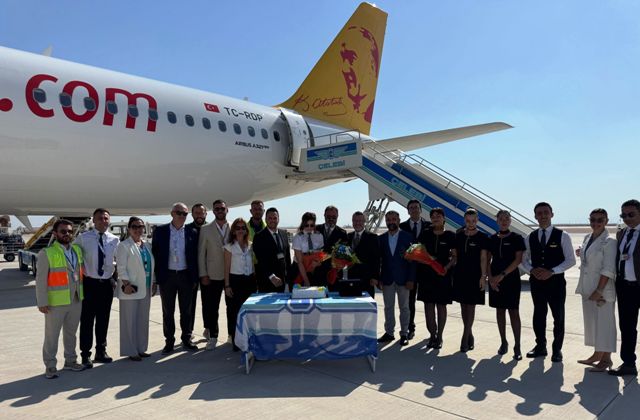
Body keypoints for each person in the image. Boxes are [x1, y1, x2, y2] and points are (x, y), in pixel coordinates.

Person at [521, 202, 576, 362]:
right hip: (537, 282)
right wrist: (531, 270)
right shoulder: (530, 237)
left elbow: (570, 260)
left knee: (558, 316)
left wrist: (552, 271)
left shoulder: (563, 236)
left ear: (552, 214)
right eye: (539, 213)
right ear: (535, 216)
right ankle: (540, 346)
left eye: (546, 212)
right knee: (539, 314)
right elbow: (523, 260)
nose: (543, 215)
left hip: (556, 283)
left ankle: (557, 349)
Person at [35, 219, 85, 378]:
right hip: (55, 302)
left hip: (75, 299)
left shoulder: (77, 250)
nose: (67, 234)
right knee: (52, 336)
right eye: (63, 231)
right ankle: (50, 365)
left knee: (71, 333)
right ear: (55, 234)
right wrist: (42, 302)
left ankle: (70, 360)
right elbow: (40, 280)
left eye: (70, 231)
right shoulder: (47, 253)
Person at [152, 202, 200, 354]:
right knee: (168, 311)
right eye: (179, 213)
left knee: (186, 311)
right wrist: (156, 278)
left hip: (186, 276)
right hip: (168, 276)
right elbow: (155, 254)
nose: (182, 216)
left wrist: (195, 278)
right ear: (172, 213)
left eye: (185, 214)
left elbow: (196, 256)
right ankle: (169, 341)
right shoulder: (160, 231)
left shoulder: (192, 232)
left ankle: (186, 338)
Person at [75, 208, 119, 368]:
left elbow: (118, 261)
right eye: (100, 218)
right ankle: (85, 354)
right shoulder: (83, 238)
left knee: (103, 319)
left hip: (106, 284)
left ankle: (101, 351)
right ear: (93, 220)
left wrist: (114, 279)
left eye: (106, 218)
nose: (103, 221)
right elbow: (74, 259)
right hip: (90, 283)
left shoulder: (114, 239)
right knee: (87, 320)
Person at [574, 209, 617, 372]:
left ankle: (606, 359)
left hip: (602, 290)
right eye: (593, 220)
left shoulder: (609, 242)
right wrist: (582, 253)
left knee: (605, 324)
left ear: (606, 221)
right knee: (593, 323)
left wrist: (599, 290)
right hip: (588, 287)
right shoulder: (587, 237)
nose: (596, 223)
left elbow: (608, 268)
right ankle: (597, 354)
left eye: (600, 220)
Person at [487, 210, 526, 360]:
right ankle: (503, 342)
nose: (504, 221)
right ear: (497, 221)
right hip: (495, 279)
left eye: (506, 218)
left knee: (514, 312)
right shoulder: (492, 239)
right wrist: (491, 278)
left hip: (510, 279)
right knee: (500, 311)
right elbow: (487, 260)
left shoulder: (517, 238)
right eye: (501, 219)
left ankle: (517, 346)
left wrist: (501, 275)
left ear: (510, 221)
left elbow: (518, 260)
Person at [116, 217, 156, 361]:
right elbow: (121, 267)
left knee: (143, 319)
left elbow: (151, 265)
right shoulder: (124, 246)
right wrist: (126, 284)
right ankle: (131, 350)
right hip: (131, 288)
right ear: (129, 229)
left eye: (140, 226)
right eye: (134, 226)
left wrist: (153, 282)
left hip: (145, 286)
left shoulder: (146, 245)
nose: (138, 229)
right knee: (129, 320)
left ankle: (141, 348)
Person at [416, 207, 456, 349]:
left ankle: (440, 337)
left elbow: (455, 257)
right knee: (428, 306)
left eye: (438, 216)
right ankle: (432, 335)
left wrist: (446, 267)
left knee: (441, 306)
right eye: (433, 216)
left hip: (443, 275)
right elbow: (419, 251)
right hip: (426, 275)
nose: (435, 218)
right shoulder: (425, 233)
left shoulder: (450, 235)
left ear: (444, 218)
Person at [610, 199, 640, 376]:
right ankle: (628, 363)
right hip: (625, 288)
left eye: (631, 214)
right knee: (627, 327)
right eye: (624, 215)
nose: (627, 218)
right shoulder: (621, 234)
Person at [452, 208, 489, 353]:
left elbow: (484, 258)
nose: (471, 223)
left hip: (475, 275)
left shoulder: (482, 237)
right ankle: (469, 334)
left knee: (471, 306)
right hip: (460, 274)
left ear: (477, 220)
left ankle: (464, 336)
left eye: (473, 220)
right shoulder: (459, 235)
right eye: (468, 221)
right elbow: (454, 255)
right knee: (463, 306)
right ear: (464, 220)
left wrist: (483, 276)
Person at [377, 211, 415, 346]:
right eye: (388, 220)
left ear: (399, 221)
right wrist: (379, 278)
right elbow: (379, 260)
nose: (391, 222)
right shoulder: (381, 239)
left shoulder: (407, 237)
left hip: (404, 279)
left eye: (394, 219)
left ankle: (404, 333)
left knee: (404, 307)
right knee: (388, 307)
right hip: (387, 278)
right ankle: (389, 332)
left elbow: (413, 260)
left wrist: (411, 279)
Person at [197, 199, 230, 350]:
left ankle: (232, 335)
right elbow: (201, 254)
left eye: (222, 208)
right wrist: (203, 274)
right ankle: (213, 336)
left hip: (231, 274)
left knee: (231, 307)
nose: (220, 211)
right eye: (217, 209)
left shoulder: (234, 226)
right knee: (212, 307)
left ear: (227, 210)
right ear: (213, 211)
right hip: (212, 275)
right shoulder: (205, 229)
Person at [223, 218, 257, 351]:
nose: (240, 230)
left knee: (248, 311)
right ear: (233, 231)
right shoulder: (229, 247)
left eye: (243, 228)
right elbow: (226, 268)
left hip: (249, 281)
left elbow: (253, 264)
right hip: (235, 281)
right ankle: (236, 341)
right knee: (234, 312)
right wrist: (227, 285)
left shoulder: (250, 245)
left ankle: (248, 339)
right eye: (238, 228)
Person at [400, 200, 432, 339]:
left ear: (421, 209)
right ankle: (410, 328)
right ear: (408, 211)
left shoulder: (429, 226)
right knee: (409, 301)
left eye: (416, 207)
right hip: (409, 270)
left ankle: (432, 329)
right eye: (411, 208)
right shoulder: (402, 226)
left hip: (425, 270)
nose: (414, 210)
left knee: (428, 301)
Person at [253, 207, 292, 293]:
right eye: (270, 218)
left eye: (275, 218)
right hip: (268, 282)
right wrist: (271, 276)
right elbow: (261, 260)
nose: (272, 220)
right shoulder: (259, 237)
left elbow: (287, 257)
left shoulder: (284, 234)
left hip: (284, 281)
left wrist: (289, 275)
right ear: (265, 219)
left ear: (278, 219)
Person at [187, 203, 208, 343]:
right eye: (196, 213)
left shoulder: (211, 228)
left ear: (206, 213)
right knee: (190, 304)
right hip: (191, 272)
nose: (199, 215)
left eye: (202, 213)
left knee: (208, 302)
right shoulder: (186, 229)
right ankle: (189, 331)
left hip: (207, 271)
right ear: (192, 214)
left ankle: (208, 328)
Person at [347, 211, 380, 298]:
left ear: (364, 222)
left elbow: (376, 259)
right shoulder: (348, 237)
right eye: (355, 221)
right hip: (351, 278)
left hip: (367, 279)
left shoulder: (373, 237)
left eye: (360, 221)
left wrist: (375, 277)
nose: (357, 223)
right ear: (352, 222)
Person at [316, 205, 348, 288]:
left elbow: (343, 255)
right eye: (328, 217)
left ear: (337, 217)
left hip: (334, 274)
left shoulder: (342, 233)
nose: (331, 219)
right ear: (324, 215)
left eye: (334, 217)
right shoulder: (316, 230)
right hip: (317, 272)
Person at [291, 212, 325, 287]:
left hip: (314, 268)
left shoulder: (319, 236)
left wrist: (317, 263)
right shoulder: (298, 237)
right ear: (303, 224)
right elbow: (300, 262)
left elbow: (321, 254)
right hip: (300, 270)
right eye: (307, 225)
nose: (309, 227)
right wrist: (306, 280)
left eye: (312, 225)